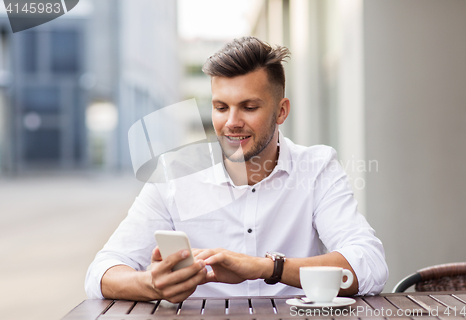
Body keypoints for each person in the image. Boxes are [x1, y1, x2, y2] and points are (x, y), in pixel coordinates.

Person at [85, 36, 388, 303]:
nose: (231, 122)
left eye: (249, 107)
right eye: (221, 107)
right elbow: (101, 273)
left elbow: (370, 265)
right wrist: (152, 284)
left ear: (281, 111)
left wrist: (267, 267)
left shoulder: (317, 168)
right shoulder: (174, 174)